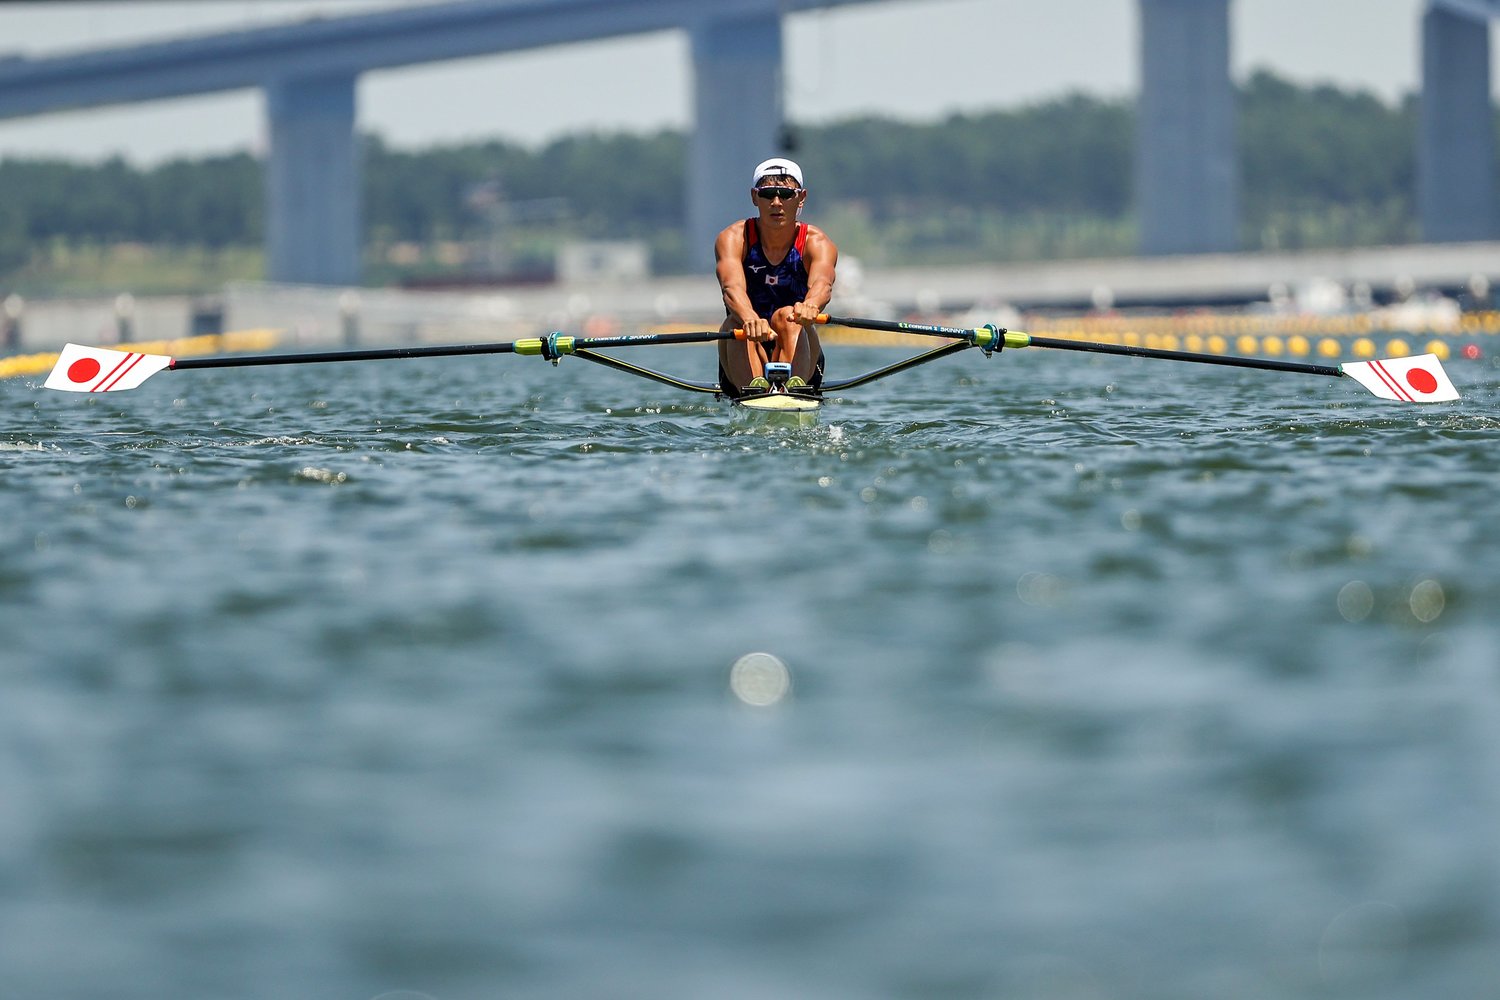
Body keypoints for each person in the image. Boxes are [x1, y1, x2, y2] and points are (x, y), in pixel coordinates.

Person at [714, 156, 838, 396]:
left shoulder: (816, 242)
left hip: (799, 344)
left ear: (801, 198)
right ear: (754, 197)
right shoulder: (733, 238)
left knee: (788, 316)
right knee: (734, 322)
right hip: (745, 341)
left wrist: (811, 305)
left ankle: (793, 391)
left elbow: (823, 284)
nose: (777, 203)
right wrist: (751, 318)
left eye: (786, 194)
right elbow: (731, 288)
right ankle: (755, 393)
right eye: (768, 194)